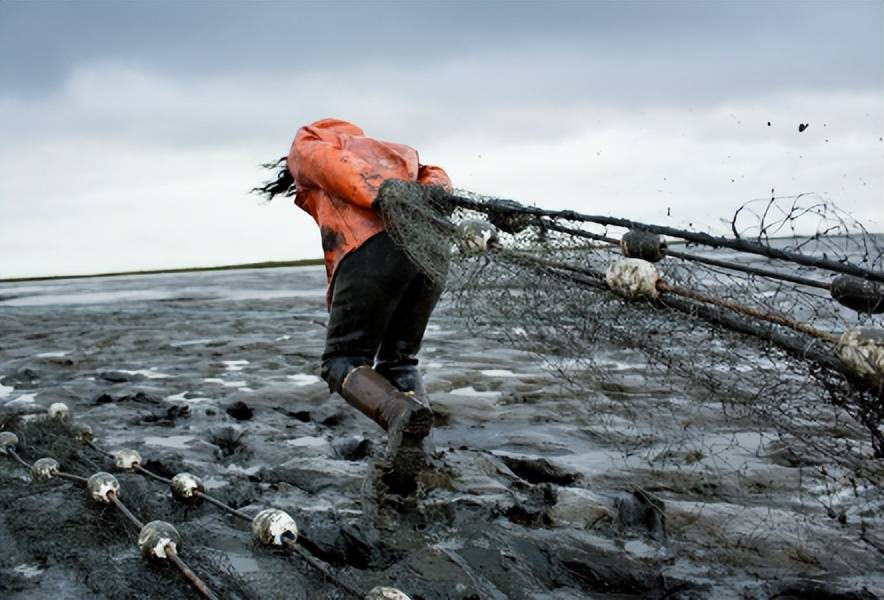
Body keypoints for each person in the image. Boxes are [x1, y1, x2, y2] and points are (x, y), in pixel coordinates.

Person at [255, 118, 452, 465]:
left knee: (341, 361)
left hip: (376, 248)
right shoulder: (395, 154)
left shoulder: (311, 141)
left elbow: (327, 164)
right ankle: (417, 456)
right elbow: (436, 176)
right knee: (400, 360)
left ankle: (400, 417)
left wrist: (379, 194)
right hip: (432, 248)